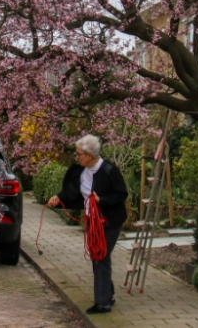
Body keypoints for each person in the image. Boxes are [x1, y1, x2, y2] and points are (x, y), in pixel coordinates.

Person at [46, 134, 128, 315]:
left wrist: (102, 200)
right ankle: (108, 293)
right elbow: (73, 194)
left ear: (90, 155)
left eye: (79, 154)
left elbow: (122, 194)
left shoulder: (109, 171)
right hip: (92, 221)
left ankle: (103, 303)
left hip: (110, 221)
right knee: (96, 256)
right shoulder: (80, 172)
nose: (77, 157)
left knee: (100, 256)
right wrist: (58, 199)